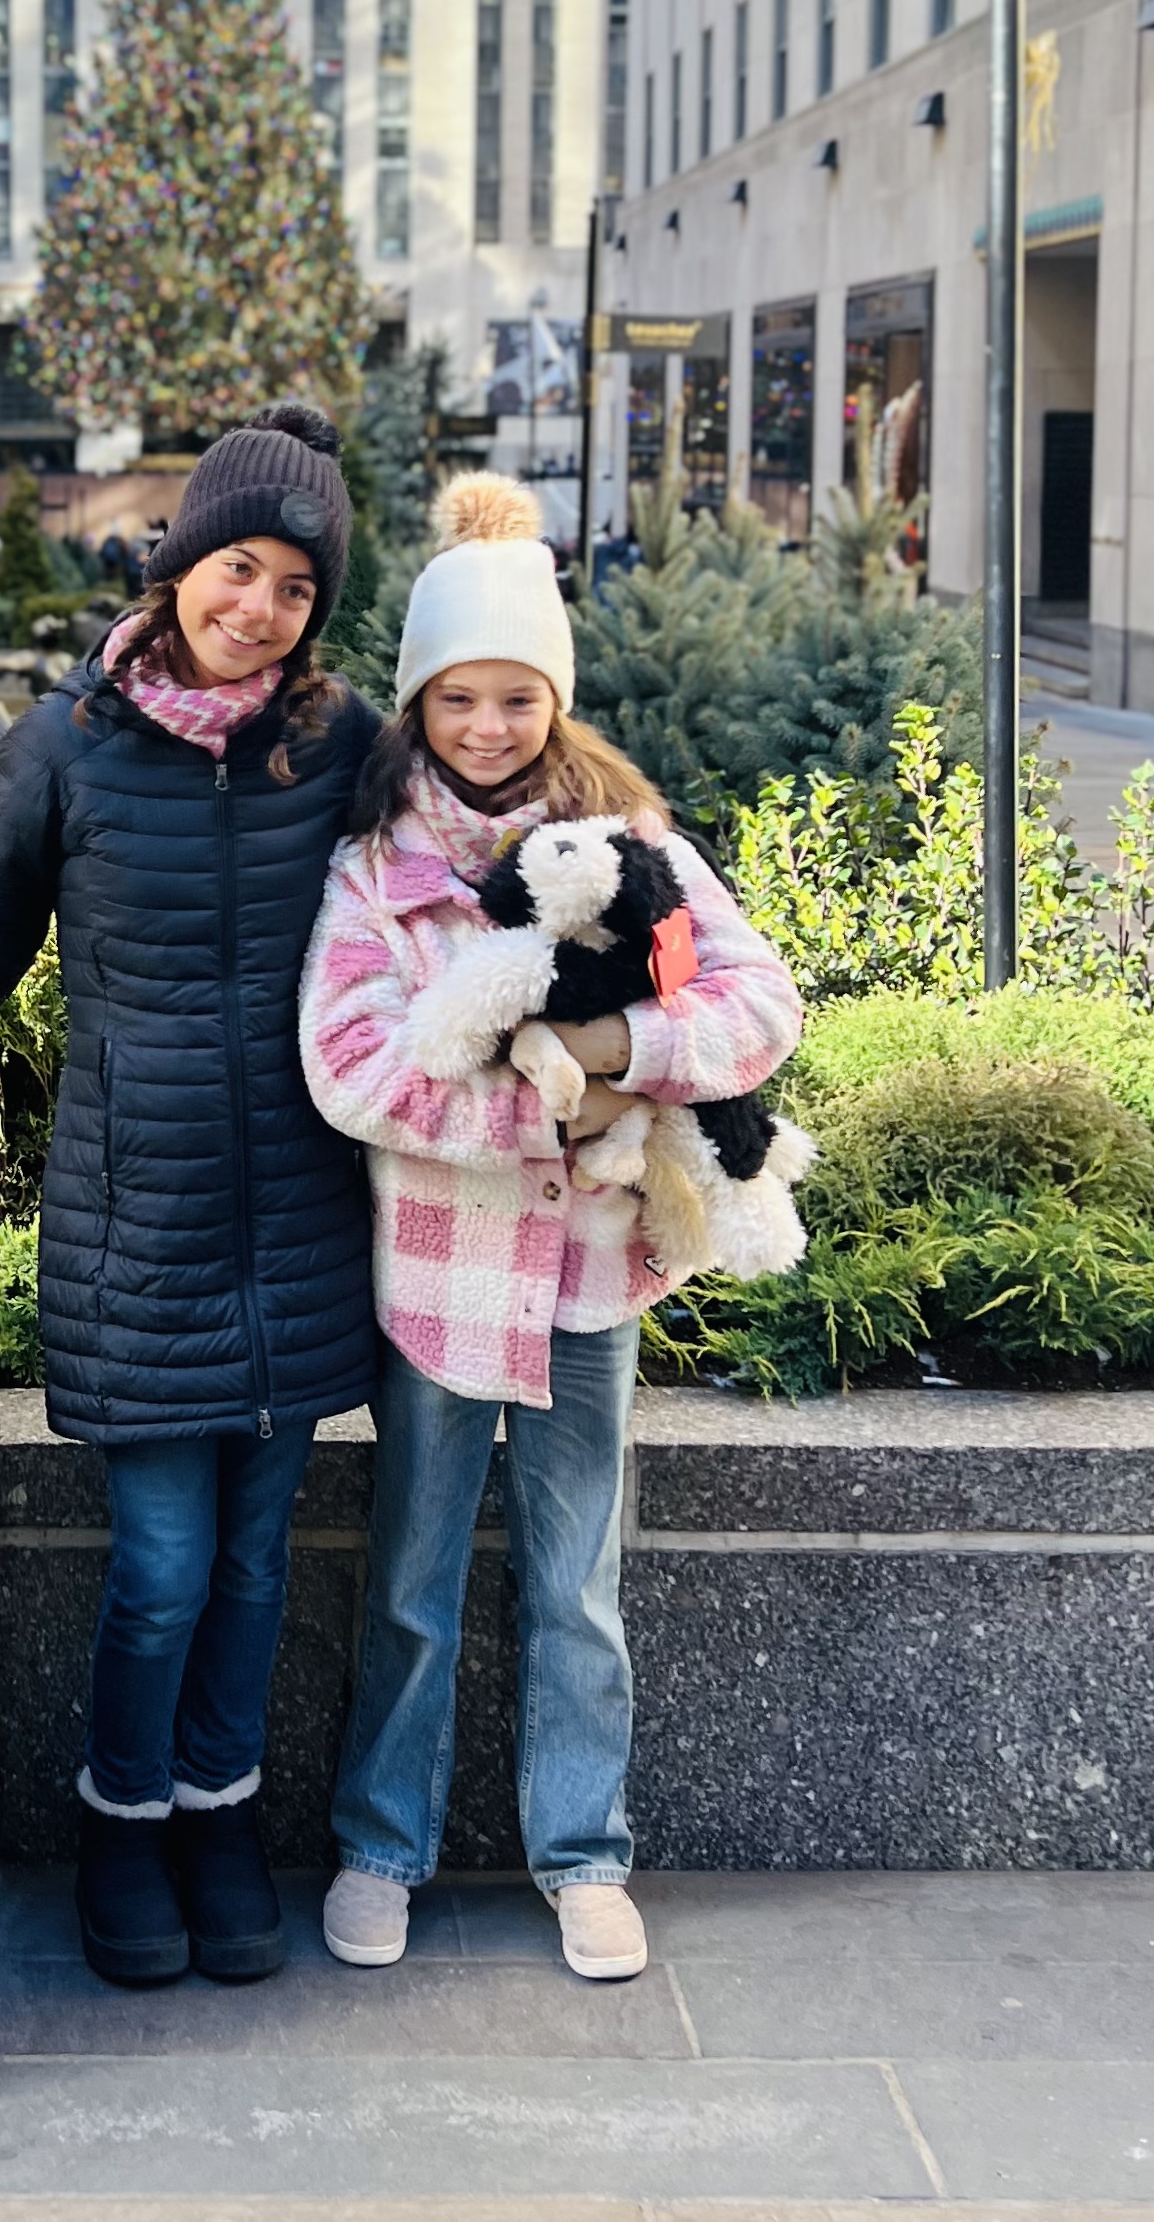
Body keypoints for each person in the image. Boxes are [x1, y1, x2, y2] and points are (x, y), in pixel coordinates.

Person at [0, 405, 380, 1991]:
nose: (256, 609)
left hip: (302, 1221)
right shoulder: (65, 745)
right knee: (161, 1573)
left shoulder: (334, 743)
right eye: (237, 570)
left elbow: (454, 870)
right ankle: (122, 1820)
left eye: (292, 591)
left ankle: (220, 1817)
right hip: (139, 1229)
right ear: (181, 561)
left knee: (258, 1572)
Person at [295, 472, 802, 1981]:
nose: (488, 728)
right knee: (409, 1586)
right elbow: (354, 1067)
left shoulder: (633, 845)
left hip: (592, 1283)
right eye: (459, 698)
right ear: (420, 704)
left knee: (576, 1580)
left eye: (517, 699)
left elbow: (756, 1001)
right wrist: (533, 1118)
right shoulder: (375, 872)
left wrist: (615, 1059)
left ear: (552, 703)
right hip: (438, 1292)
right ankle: (380, 1846)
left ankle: (583, 1854)